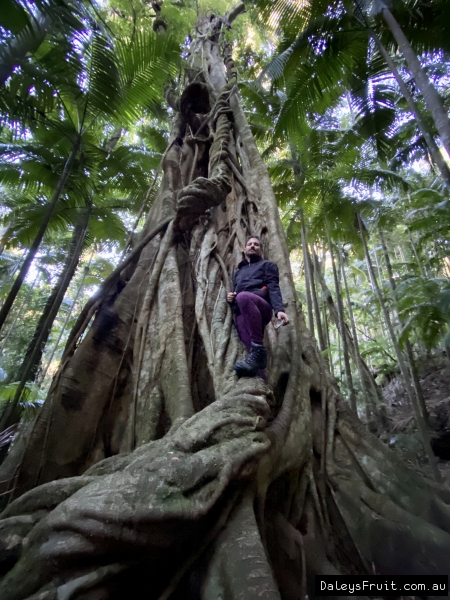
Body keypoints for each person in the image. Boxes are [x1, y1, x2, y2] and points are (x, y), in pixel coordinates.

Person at [227, 236, 290, 377]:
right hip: (243, 311)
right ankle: (262, 383)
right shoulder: (238, 273)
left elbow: (274, 288)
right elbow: (235, 292)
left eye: (256, 244)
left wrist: (279, 310)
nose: (252, 246)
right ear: (245, 249)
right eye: (249, 244)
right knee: (249, 349)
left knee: (243, 296)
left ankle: (258, 349)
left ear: (260, 249)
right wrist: (230, 298)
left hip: (262, 307)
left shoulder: (268, 265)